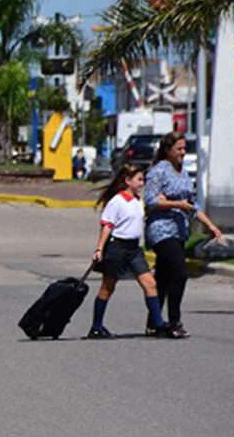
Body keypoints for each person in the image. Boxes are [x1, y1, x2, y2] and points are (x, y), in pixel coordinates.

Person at [144, 132, 222, 338]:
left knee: (163, 276)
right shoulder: (158, 171)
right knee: (179, 272)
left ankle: (154, 322)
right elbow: (151, 201)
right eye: (178, 149)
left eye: (184, 148)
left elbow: (192, 205)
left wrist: (211, 226)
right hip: (161, 230)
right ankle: (173, 322)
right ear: (168, 150)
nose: (183, 152)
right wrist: (176, 203)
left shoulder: (184, 173)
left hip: (179, 230)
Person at [88, 164, 169, 339]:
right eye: (139, 179)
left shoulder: (138, 200)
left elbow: (142, 214)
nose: (142, 183)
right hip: (117, 247)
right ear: (127, 181)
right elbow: (107, 226)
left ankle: (158, 323)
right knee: (108, 287)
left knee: (150, 283)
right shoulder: (116, 202)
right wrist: (99, 248)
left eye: (143, 180)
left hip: (134, 249)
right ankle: (96, 327)